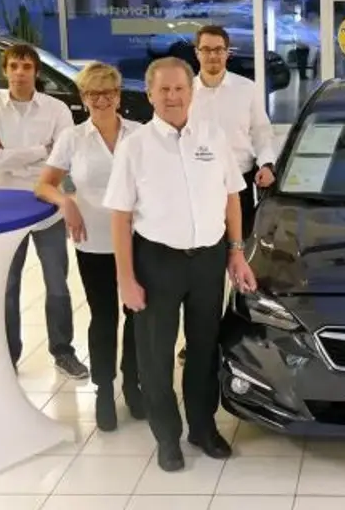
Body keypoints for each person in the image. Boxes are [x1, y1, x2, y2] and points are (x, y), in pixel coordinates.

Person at [104, 57, 258, 472]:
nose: (172, 97)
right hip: (157, 261)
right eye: (164, 90)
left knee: (205, 348)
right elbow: (119, 216)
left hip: (208, 259)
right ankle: (167, 437)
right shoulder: (135, 146)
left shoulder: (212, 137)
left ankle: (202, 428)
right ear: (150, 94)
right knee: (155, 355)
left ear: (191, 93)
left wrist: (236, 252)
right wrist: (125, 278)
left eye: (179, 89)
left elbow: (231, 195)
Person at [35, 62, 143, 431]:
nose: (101, 100)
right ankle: (104, 391)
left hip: (138, 240)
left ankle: (133, 385)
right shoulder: (73, 138)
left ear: (118, 95)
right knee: (104, 319)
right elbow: (44, 184)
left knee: (137, 317)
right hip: (93, 242)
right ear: (83, 98)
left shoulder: (139, 134)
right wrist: (66, 202)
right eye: (93, 93)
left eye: (108, 92)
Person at [0, 43, 88, 379]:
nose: (20, 73)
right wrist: (41, 151)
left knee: (57, 284)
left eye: (26, 67)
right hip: (4, 208)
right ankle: (8, 355)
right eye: (14, 66)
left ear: (36, 72)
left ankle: (63, 351)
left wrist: (12, 156)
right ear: (5, 70)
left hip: (47, 204)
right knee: (7, 286)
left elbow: (63, 158)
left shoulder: (56, 109)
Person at [179, 24, 277, 363]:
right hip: (197, 187)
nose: (213, 56)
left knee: (241, 260)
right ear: (196, 53)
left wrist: (267, 163)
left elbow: (262, 132)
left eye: (219, 49)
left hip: (241, 183)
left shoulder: (246, 89)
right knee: (202, 268)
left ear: (227, 52)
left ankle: (239, 335)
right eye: (206, 49)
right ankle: (198, 337)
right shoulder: (185, 92)